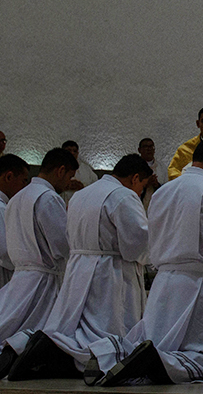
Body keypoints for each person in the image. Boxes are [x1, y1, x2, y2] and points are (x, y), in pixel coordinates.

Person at [88, 138, 203, 386]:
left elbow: (150, 239)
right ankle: (161, 363)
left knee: (160, 338)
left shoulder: (162, 192)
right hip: (201, 286)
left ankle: (114, 354)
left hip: (163, 285)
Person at [5, 155, 153, 380]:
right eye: (142, 185)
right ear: (135, 178)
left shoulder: (81, 195)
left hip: (78, 270)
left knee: (81, 328)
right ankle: (95, 360)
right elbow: (136, 243)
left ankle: (40, 348)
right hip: (110, 273)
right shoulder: (123, 196)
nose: (141, 191)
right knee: (108, 329)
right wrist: (154, 256)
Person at [0, 148, 77, 377]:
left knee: (10, 321)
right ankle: (19, 355)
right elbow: (62, 244)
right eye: (70, 177)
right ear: (61, 171)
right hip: (43, 277)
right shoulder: (48, 198)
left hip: (20, 275)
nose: (68, 183)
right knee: (37, 328)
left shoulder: (17, 198)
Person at [0, 154, 32, 287]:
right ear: (8, 177)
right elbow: (6, 251)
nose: (24, 187)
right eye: (24, 181)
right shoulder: (1, 209)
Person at [137, 138, 169, 211]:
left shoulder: (161, 168)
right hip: (139, 206)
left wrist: (157, 185)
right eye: (145, 146)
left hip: (157, 207)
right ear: (139, 150)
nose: (149, 149)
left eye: (151, 146)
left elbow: (167, 189)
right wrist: (145, 185)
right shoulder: (135, 167)